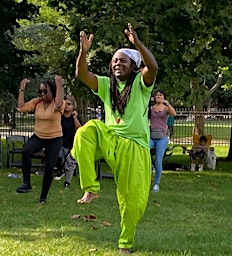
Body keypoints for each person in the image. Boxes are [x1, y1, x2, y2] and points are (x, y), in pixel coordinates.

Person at [73, 23, 158, 254]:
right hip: (111, 139)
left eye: (123, 60)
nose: (117, 63)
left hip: (135, 148)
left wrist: (138, 44)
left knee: (132, 201)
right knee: (84, 132)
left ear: (133, 66)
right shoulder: (105, 84)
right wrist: (84, 51)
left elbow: (153, 67)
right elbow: (81, 74)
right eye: (114, 60)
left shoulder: (141, 84)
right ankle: (91, 187)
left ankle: (125, 244)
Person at [15, 76, 64, 205]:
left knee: (49, 167)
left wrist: (59, 84)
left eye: (45, 91)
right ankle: (26, 184)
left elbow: (59, 104)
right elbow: (20, 108)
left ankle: (43, 197)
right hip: (39, 136)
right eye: (40, 91)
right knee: (26, 151)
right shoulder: (37, 102)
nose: (42, 94)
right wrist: (22, 89)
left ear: (52, 91)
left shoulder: (57, 103)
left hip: (55, 138)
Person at [149, 89, 176, 192]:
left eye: (160, 95)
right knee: (144, 150)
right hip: (151, 136)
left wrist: (167, 103)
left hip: (162, 138)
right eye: (157, 95)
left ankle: (156, 184)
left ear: (164, 97)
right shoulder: (151, 108)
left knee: (158, 160)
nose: (158, 96)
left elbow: (174, 114)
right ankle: (148, 169)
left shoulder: (166, 108)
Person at [54, 96, 82, 188]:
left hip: (73, 144)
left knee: (70, 162)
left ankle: (67, 182)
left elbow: (80, 130)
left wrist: (75, 118)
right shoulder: (59, 116)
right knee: (58, 155)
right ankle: (59, 170)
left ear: (73, 106)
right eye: (64, 104)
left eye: (69, 104)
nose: (66, 106)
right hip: (60, 143)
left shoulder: (76, 117)